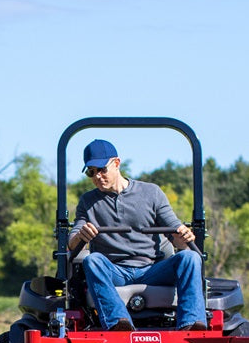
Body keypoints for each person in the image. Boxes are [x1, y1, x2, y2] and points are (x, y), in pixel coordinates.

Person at [68, 139, 207, 331]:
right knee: (92, 261)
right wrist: (81, 235)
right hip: (116, 271)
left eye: (102, 170)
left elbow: (176, 234)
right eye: (91, 172)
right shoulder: (88, 201)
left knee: (191, 257)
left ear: (116, 163)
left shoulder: (151, 193)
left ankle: (190, 324)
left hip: (152, 269)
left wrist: (183, 236)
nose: (98, 176)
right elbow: (72, 242)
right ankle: (119, 323)